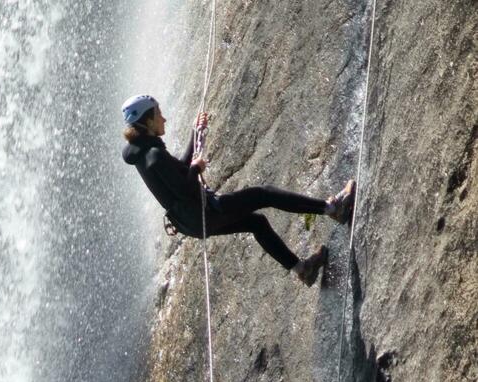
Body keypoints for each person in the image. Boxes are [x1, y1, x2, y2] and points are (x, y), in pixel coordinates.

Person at [121, 94, 355, 287]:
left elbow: (179, 171)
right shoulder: (153, 156)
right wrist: (196, 169)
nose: (164, 118)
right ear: (148, 121)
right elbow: (184, 187)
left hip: (192, 221)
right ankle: (333, 208)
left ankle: (303, 270)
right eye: (158, 114)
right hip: (203, 212)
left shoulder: (145, 153)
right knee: (264, 195)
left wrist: (196, 134)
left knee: (256, 223)